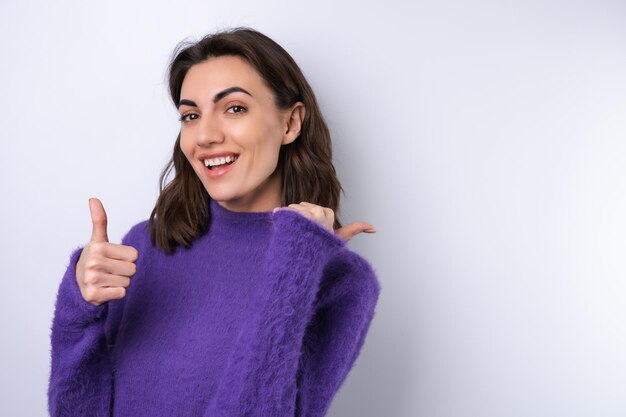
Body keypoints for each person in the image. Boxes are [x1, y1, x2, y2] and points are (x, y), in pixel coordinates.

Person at [48, 27, 381, 417]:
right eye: (191, 115)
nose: (204, 135)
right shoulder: (146, 245)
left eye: (234, 108)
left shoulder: (339, 279)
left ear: (290, 123)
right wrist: (79, 310)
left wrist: (296, 266)